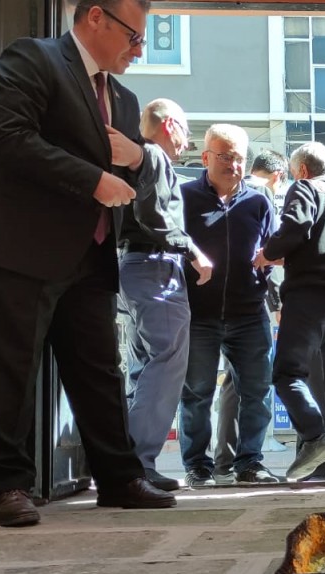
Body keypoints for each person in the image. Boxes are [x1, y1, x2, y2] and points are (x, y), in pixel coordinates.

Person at [0, 0, 178, 526]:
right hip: (22, 246)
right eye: (133, 35)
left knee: (100, 370)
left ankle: (119, 477)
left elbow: (137, 179)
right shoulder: (33, 59)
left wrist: (139, 159)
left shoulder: (124, 100)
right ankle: (6, 484)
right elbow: (10, 138)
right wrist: (92, 179)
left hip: (92, 252)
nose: (139, 48)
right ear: (96, 17)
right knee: (9, 369)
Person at [118, 98, 214, 492]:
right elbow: (155, 216)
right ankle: (139, 464)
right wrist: (194, 251)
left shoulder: (143, 158)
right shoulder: (154, 157)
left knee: (143, 369)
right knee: (166, 364)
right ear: (170, 125)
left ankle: (128, 462)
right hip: (156, 268)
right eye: (186, 131)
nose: (186, 141)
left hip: (132, 268)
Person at [179, 124, 281, 486]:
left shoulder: (258, 200)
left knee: (256, 391)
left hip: (249, 313)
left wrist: (273, 260)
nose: (234, 164)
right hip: (198, 314)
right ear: (206, 157)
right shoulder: (185, 196)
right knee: (196, 393)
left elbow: (273, 247)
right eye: (225, 156)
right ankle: (197, 466)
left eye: (239, 157)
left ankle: (250, 463)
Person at [254, 142, 325, 483]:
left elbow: (296, 227)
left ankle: (315, 438)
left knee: (287, 374)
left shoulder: (304, 188)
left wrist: (266, 253)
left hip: (312, 295)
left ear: (301, 171)